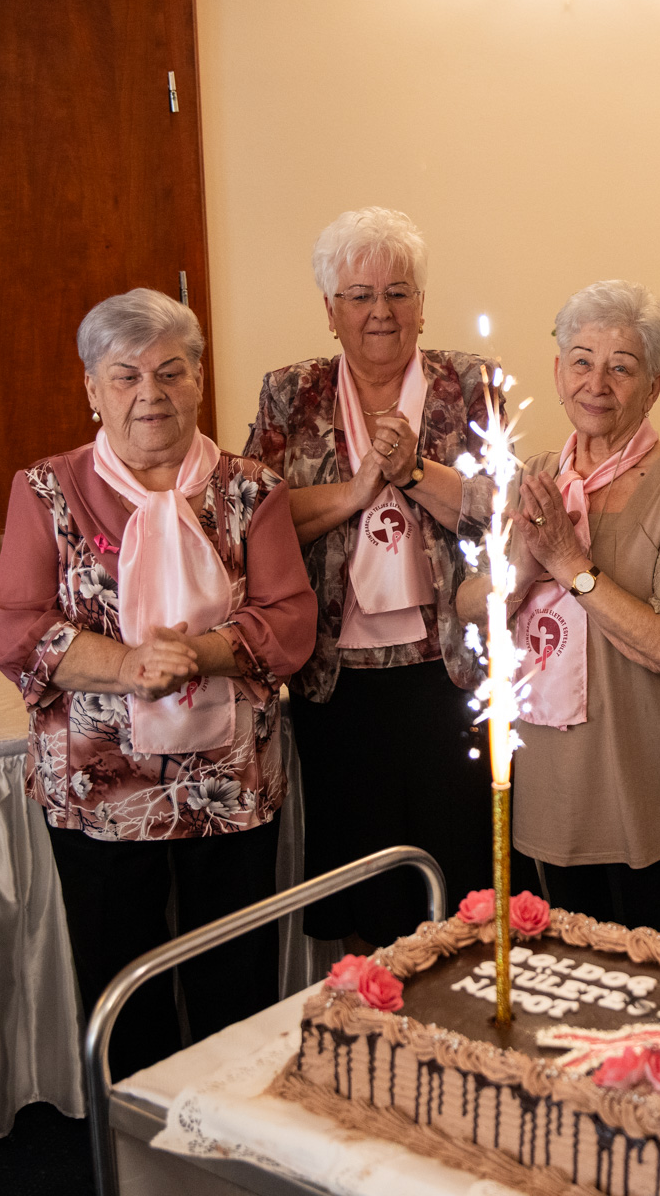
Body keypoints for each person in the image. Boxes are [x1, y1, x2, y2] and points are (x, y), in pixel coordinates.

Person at [0, 288, 316, 1075]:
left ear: (200, 379)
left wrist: (197, 653)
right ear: (91, 389)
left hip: (228, 785)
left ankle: (230, 1136)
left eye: (170, 372)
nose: (150, 394)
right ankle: (134, 1149)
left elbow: (291, 620)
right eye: (125, 375)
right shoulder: (45, 490)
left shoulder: (250, 489)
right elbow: (13, 626)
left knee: (233, 980)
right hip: (98, 791)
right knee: (119, 987)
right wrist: (129, 663)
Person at [244, 207, 503, 945]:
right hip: (337, 679)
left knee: (462, 884)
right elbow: (253, 522)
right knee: (363, 887)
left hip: (450, 672)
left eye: (398, 292)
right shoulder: (289, 394)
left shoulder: (471, 385)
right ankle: (374, 1027)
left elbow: (508, 510)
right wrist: (356, 494)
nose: (380, 311)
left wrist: (414, 472)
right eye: (359, 296)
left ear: (422, 304)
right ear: (331, 311)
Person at [455, 281, 660, 944]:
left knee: (655, 972)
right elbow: (467, 607)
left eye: (621, 367)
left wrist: (571, 563)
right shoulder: (532, 478)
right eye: (581, 361)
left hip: (642, 773)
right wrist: (525, 560)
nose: (596, 382)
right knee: (569, 972)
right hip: (551, 773)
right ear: (556, 371)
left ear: (654, 386)